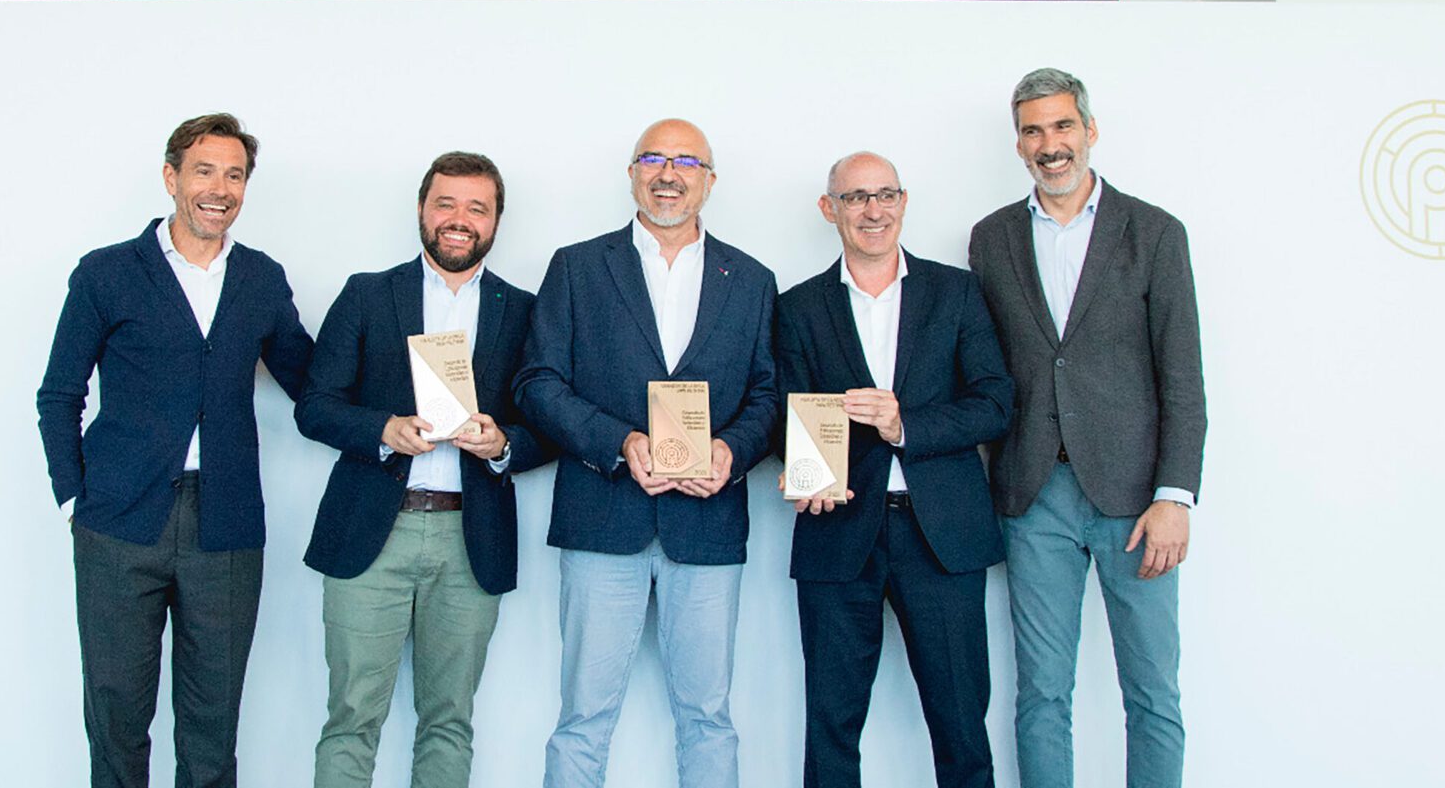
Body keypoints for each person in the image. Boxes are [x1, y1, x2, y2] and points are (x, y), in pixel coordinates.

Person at [37, 113, 315, 788]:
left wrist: (408, 390)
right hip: (118, 522)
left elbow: (312, 383)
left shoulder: (260, 278)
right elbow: (59, 394)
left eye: (234, 175)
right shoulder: (107, 273)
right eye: (204, 171)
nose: (219, 189)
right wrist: (75, 499)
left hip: (226, 525)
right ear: (171, 177)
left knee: (212, 733)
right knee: (116, 720)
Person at [515, 118, 778, 788]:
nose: (669, 173)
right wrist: (620, 442)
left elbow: (768, 395)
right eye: (654, 158)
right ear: (632, 173)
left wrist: (731, 450)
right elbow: (537, 382)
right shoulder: (577, 267)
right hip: (603, 519)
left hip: (708, 524)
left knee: (709, 718)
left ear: (710, 180)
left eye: (686, 161)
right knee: (583, 717)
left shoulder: (752, 278)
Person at [967, 69, 1207, 788]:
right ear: (1018, 144)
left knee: (1153, 693)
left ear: (1090, 130)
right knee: (1041, 694)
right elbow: (986, 369)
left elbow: (1183, 378)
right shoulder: (991, 238)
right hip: (1034, 494)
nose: (1051, 144)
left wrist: (1175, 495)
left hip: (1137, 500)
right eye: (1034, 131)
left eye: (1063, 125)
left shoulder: (1155, 232)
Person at [296, 151, 553, 788]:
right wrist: (382, 431)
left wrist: (502, 444)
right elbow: (315, 406)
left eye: (477, 208)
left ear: (496, 221)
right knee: (351, 717)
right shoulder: (367, 294)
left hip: (471, 538)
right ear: (421, 209)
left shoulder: (525, 311)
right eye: (445, 204)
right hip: (370, 533)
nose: (459, 219)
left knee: (450, 721)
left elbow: (548, 425)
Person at [775, 152, 1013, 788]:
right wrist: (800, 470)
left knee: (961, 724)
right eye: (855, 198)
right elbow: (785, 413)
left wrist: (905, 424)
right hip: (837, 528)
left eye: (885, 195)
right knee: (831, 724)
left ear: (903, 203)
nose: (872, 210)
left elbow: (995, 403)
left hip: (942, 535)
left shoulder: (957, 292)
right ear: (829, 209)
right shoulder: (798, 307)